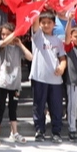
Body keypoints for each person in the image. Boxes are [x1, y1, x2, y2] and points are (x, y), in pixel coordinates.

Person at [28, 10, 67, 142]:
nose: (46, 25)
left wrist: (62, 67)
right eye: (43, 22)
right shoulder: (38, 36)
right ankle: (40, 130)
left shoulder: (58, 41)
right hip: (39, 77)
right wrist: (37, 4)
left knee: (56, 107)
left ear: (54, 24)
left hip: (55, 80)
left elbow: (62, 58)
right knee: (39, 106)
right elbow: (34, 18)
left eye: (49, 22)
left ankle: (56, 132)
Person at [0, 23, 30, 145]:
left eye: (7, 34)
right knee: (0, 107)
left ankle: (14, 132)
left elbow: (30, 57)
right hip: (3, 82)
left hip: (15, 84)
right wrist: (15, 33)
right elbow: (4, 43)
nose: (4, 36)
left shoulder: (17, 47)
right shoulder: (1, 44)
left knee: (13, 108)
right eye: (3, 34)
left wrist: (20, 44)